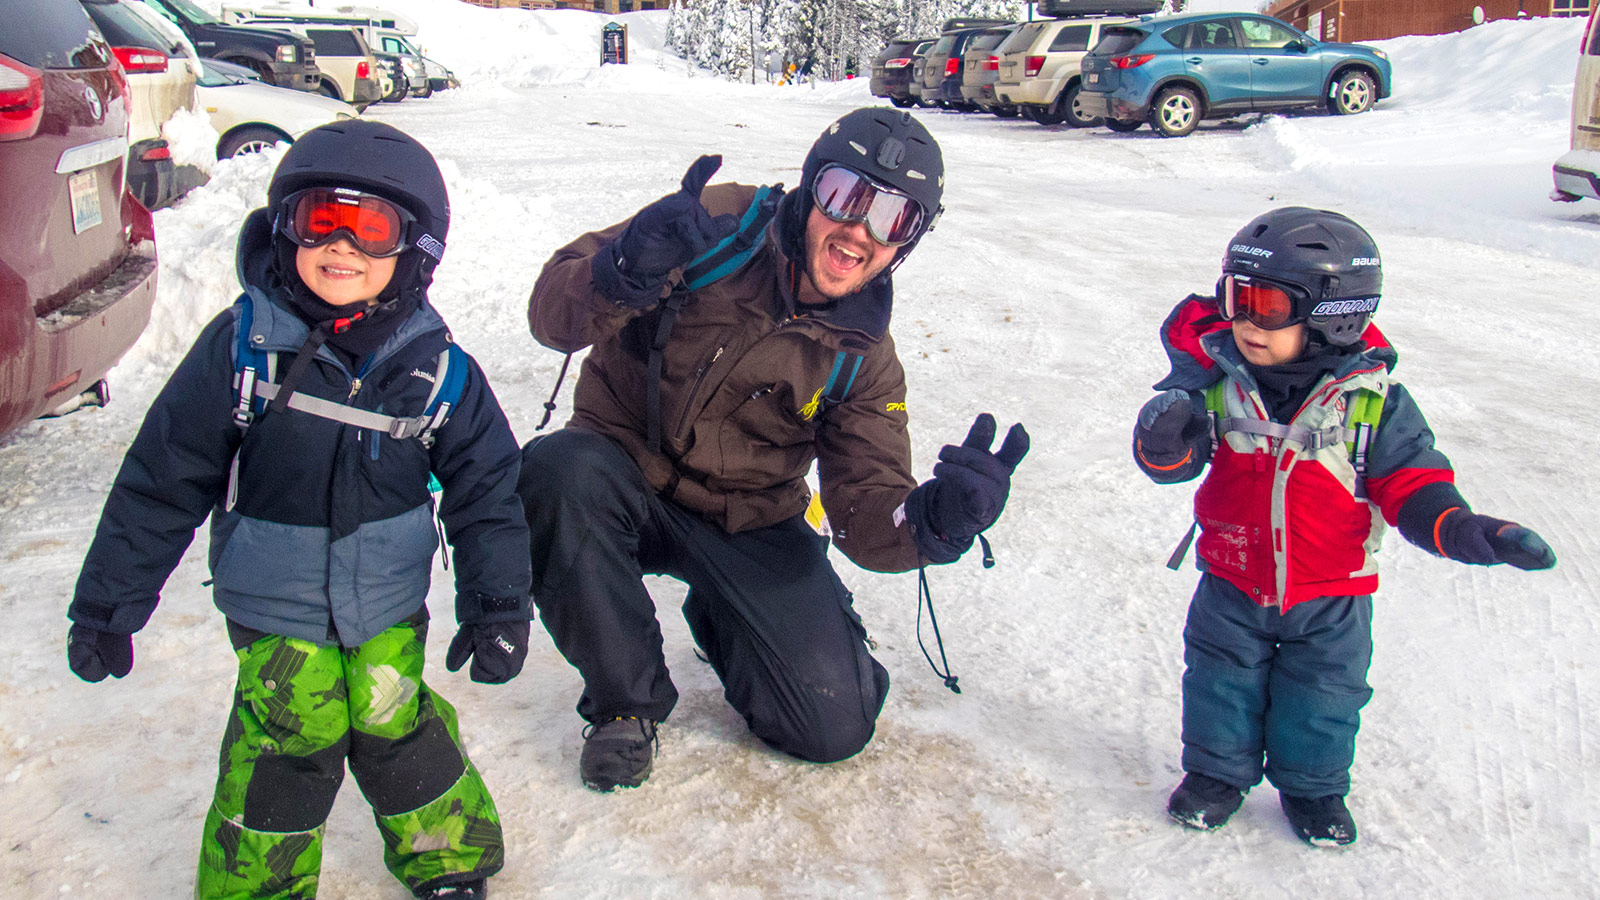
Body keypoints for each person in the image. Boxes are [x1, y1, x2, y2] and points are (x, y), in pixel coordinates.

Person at [66, 121, 531, 900]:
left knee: (393, 721)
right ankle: (256, 890)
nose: (343, 244)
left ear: (413, 250)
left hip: (386, 602)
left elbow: (488, 492)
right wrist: (108, 604)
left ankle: (448, 861)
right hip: (273, 607)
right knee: (291, 740)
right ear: (286, 227)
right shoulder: (243, 349)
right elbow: (162, 479)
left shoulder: (438, 369)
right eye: (322, 218)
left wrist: (496, 606)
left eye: (371, 226)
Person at [519, 107, 1029, 792]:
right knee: (553, 476)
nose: (859, 231)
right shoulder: (711, 227)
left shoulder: (865, 361)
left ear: (909, 241)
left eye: (893, 218)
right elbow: (551, 316)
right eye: (848, 195)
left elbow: (864, 511)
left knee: (832, 728)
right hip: (619, 472)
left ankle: (726, 616)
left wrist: (931, 522)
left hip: (749, 517)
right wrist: (621, 272)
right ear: (811, 186)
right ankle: (624, 701)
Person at [1132, 207, 1556, 846]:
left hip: (1332, 594)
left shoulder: (1375, 402)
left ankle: (1313, 789)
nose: (1244, 320)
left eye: (1267, 305)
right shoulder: (1218, 387)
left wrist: (1465, 528)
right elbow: (1173, 466)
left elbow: (1413, 483)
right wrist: (1161, 440)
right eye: (1234, 298)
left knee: (1324, 697)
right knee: (1219, 683)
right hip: (1230, 579)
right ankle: (1217, 775)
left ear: (1336, 314)